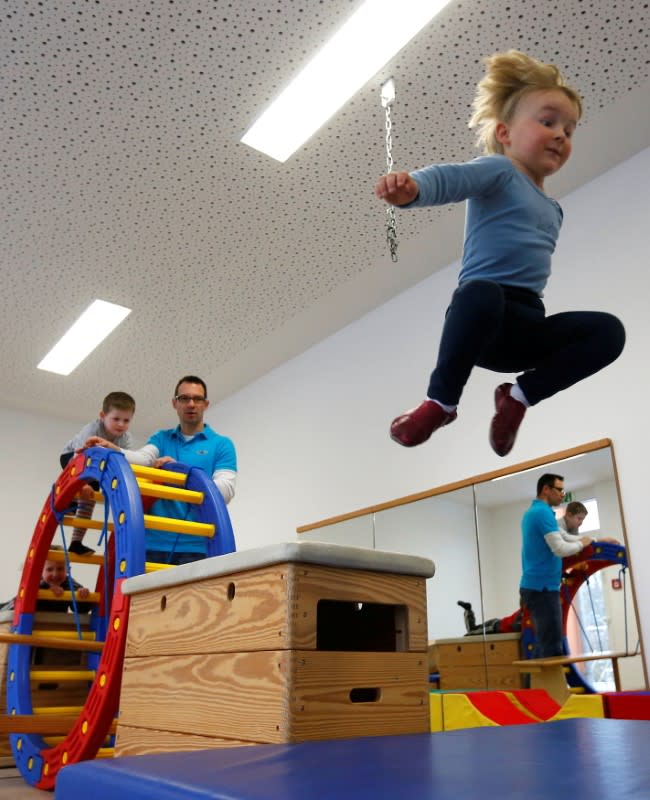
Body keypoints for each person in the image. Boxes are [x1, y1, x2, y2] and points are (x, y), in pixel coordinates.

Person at [374, 50, 625, 456]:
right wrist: (412, 190)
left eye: (570, 129)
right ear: (506, 133)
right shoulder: (500, 170)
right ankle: (440, 403)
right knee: (482, 291)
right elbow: (451, 178)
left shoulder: (554, 209)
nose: (562, 134)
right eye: (548, 122)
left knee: (609, 331)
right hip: (481, 320)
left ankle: (518, 397)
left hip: (526, 328)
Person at [87, 376, 236, 565]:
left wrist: (181, 476)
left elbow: (224, 492)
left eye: (197, 399)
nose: (191, 404)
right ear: (175, 403)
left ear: (206, 404)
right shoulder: (161, 438)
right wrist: (113, 449)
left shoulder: (221, 445)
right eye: (184, 398)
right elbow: (142, 460)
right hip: (152, 543)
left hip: (197, 545)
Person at [520, 473, 592, 658]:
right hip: (541, 589)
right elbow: (560, 548)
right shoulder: (541, 513)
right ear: (546, 489)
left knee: (547, 644)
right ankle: (545, 687)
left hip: (541, 587)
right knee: (551, 649)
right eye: (559, 489)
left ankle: (541, 687)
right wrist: (581, 545)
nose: (563, 494)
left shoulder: (539, 512)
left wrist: (594, 541)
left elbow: (566, 537)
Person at [60, 391, 136, 555]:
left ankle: (76, 542)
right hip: (73, 458)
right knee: (84, 492)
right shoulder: (92, 429)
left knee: (89, 502)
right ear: (103, 416)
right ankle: (69, 504)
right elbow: (78, 457)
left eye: (126, 420)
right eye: (116, 419)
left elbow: (126, 460)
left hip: (97, 466)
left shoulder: (126, 438)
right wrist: (82, 483)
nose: (121, 424)